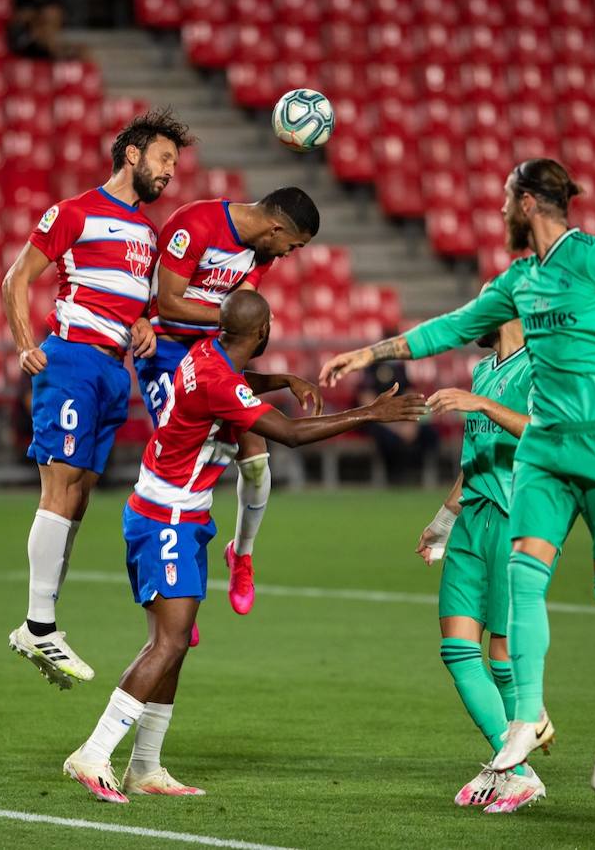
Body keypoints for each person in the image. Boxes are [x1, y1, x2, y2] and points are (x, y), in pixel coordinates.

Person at [320, 159, 595, 793]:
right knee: (523, 574)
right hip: (548, 444)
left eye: (502, 201)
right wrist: (371, 351)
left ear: (525, 204)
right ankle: (524, 717)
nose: (496, 213)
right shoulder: (517, 281)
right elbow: (450, 328)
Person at [62, 291, 431, 802]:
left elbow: (236, 389)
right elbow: (291, 434)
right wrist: (370, 413)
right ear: (263, 332)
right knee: (166, 645)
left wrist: (281, 381)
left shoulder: (205, 353)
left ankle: (144, 767)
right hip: (166, 518)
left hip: (173, 513)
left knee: (174, 646)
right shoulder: (215, 376)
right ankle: (94, 753)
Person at [2, 108, 193, 689]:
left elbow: (137, 307)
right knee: (59, 488)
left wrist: (144, 327)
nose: (170, 174)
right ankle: (38, 626)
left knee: (80, 496)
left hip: (114, 373)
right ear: (132, 154)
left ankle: (43, 625)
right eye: (164, 159)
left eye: (175, 166)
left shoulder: (149, 234)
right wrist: (25, 343)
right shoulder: (76, 212)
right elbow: (17, 277)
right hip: (73, 362)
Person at [136, 189, 321, 618]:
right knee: (179, 464)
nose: (289, 254)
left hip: (214, 353)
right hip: (165, 349)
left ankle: (242, 554)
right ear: (276, 228)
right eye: (292, 246)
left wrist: (241, 325)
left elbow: (245, 310)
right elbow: (169, 301)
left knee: (257, 454)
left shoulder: (262, 253)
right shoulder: (197, 225)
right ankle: (169, 598)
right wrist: (231, 317)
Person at [415, 316, 547, 814]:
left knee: (502, 654)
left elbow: (546, 435)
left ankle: (513, 767)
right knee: (456, 648)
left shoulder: (540, 366)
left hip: (520, 522)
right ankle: (514, 767)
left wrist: (483, 405)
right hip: (474, 519)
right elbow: (477, 459)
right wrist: (444, 521)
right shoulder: (483, 370)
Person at [356, 350, 439, 485]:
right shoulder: (371, 369)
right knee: (387, 438)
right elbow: (368, 405)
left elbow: (411, 396)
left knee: (429, 433)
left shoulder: (400, 369)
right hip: (380, 422)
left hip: (402, 420)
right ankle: (394, 478)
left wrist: (411, 423)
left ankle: (419, 474)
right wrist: (396, 427)